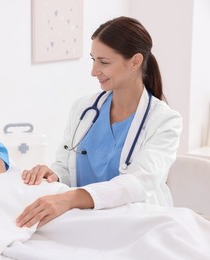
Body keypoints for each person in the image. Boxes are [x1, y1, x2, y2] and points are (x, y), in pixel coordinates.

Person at [16, 16, 182, 228]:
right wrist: (53, 174)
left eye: (104, 62)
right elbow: (65, 166)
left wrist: (70, 198)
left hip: (137, 224)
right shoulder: (83, 109)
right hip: (83, 223)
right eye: (93, 60)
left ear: (135, 62)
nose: (94, 71)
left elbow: (137, 184)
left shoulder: (165, 121)